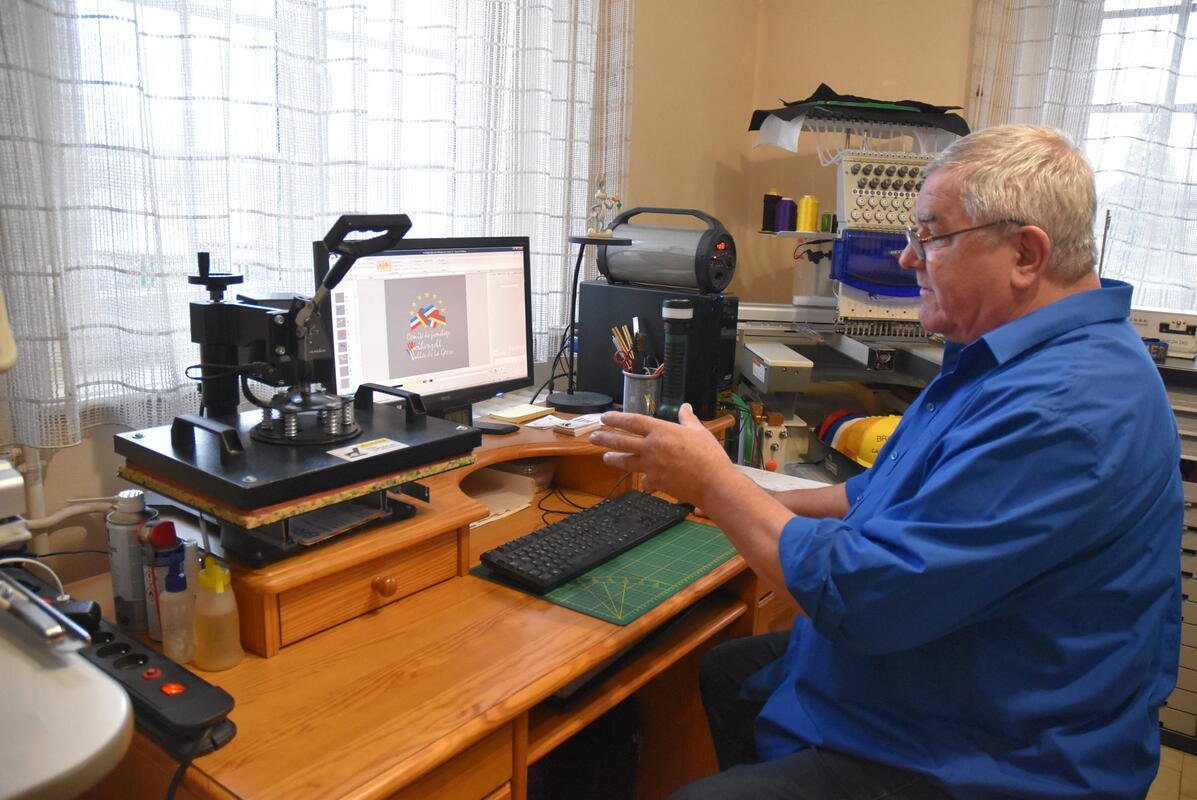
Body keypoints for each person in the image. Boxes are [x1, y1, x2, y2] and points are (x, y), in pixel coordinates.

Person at [589, 124, 1183, 800]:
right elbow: (886, 493)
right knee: (731, 669)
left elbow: (858, 598)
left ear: (1024, 253)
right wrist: (745, 496)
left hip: (999, 754)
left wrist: (718, 484)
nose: (905, 258)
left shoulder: (1062, 409)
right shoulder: (1010, 358)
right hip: (965, 681)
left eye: (929, 236)